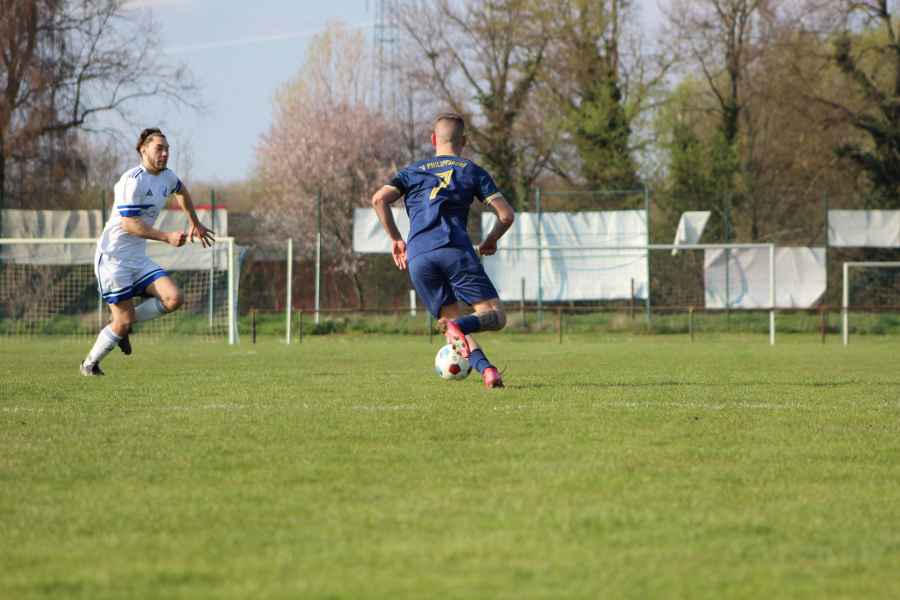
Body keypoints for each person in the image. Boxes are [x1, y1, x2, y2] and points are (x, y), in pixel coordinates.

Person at [372, 112, 515, 389]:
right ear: (464, 140)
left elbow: (379, 199)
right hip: (453, 249)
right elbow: (506, 215)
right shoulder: (471, 170)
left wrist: (396, 239)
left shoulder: (412, 171)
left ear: (433, 139)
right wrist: (491, 239)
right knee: (495, 316)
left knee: (451, 324)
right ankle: (462, 329)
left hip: (418, 256)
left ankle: (488, 371)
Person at [80, 128, 214, 376]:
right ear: (143, 150)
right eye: (159, 149)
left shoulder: (167, 177)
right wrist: (167, 237)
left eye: (167, 149)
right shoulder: (132, 181)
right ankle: (89, 364)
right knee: (123, 322)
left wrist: (194, 223)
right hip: (113, 259)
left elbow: (181, 191)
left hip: (138, 258)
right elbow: (129, 224)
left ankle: (122, 324)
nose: (165, 154)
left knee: (174, 298)